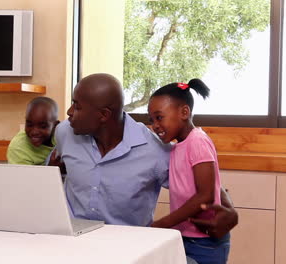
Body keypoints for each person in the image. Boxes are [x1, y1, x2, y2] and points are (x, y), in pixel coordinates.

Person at [50, 73, 237, 260]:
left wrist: (231, 211)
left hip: (127, 252)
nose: (69, 112)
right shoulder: (65, 133)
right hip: (69, 247)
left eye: (77, 106)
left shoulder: (156, 151)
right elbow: (54, 172)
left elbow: (202, 185)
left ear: (103, 115)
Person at [148, 79, 230, 264]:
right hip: (185, 236)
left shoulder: (197, 141)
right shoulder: (177, 147)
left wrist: (162, 224)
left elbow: (206, 195)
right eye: (151, 120)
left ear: (184, 112)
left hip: (205, 242)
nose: (155, 125)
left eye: (159, 117)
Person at [7, 97, 59, 165]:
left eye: (42, 126)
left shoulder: (60, 137)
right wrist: (51, 168)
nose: (34, 132)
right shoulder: (18, 148)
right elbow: (23, 175)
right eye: (29, 125)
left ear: (55, 126)